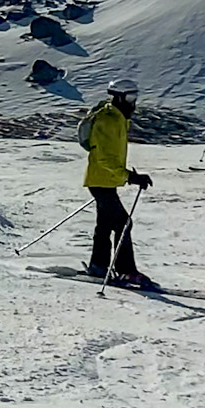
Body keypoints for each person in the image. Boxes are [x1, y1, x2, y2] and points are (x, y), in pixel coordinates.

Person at [82, 79, 156, 289]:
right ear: (119, 96)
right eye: (131, 97)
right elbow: (104, 158)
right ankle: (126, 271)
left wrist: (128, 175)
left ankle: (98, 265)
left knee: (105, 225)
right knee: (124, 223)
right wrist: (129, 177)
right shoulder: (107, 119)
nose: (134, 103)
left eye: (135, 97)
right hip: (100, 180)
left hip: (105, 180)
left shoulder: (118, 117)